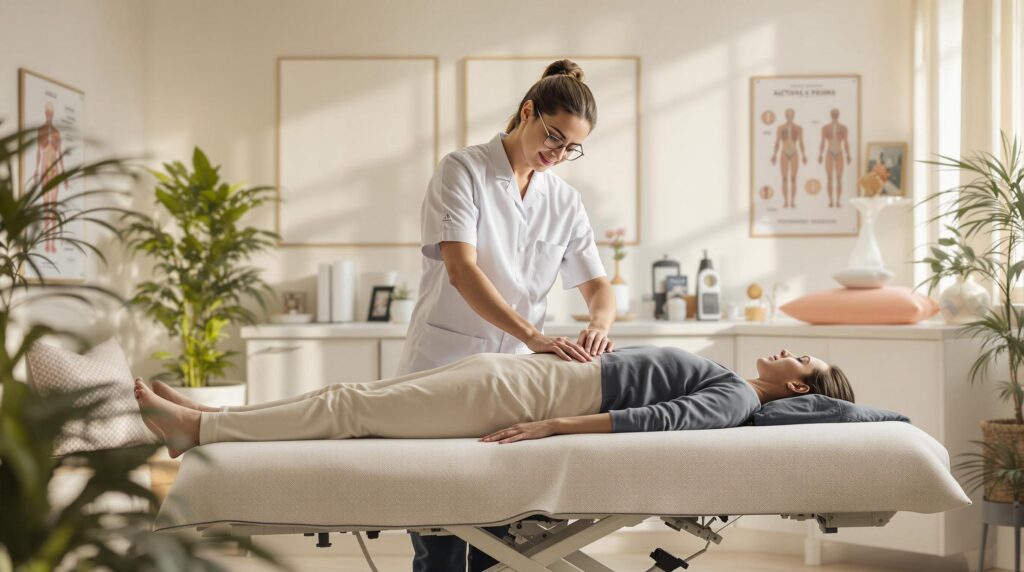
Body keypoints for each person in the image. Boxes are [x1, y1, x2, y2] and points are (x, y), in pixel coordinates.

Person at [394, 58, 616, 570]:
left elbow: (599, 286)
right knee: (442, 529)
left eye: (570, 148)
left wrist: (598, 327)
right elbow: (461, 271)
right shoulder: (463, 170)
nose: (557, 154)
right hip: (445, 364)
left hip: (514, 378)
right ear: (527, 112)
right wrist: (534, 335)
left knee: (503, 533)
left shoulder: (563, 199)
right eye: (553, 137)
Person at [141, 347, 854, 454]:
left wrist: (551, 427)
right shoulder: (728, 378)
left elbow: (650, 421)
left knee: (350, 410)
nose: (788, 350)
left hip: (519, 391)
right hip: (518, 372)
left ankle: (197, 431)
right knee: (347, 395)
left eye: (801, 360)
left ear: (797, 386)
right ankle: (205, 418)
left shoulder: (732, 396)